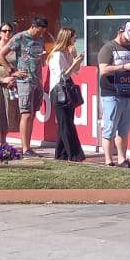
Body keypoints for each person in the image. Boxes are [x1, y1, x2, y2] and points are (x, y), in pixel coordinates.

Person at [97, 22, 130, 168]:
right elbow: (103, 70)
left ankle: (122, 159)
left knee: (124, 129)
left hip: (129, 92)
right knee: (110, 126)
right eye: (127, 37)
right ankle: (108, 160)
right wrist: (124, 67)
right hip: (112, 93)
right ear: (120, 32)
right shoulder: (108, 48)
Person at [9, 17, 50, 158]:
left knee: (32, 115)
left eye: (43, 31)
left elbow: (41, 57)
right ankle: (24, 147)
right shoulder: (20, 37)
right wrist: (13, 71)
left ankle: (29, 146)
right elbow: (1, 54)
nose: (41, 33)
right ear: (33, 26)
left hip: (37, 80)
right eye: (40, 30)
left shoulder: (40, 39)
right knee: (25, 114)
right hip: (24, 80)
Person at [48, 27, 86, 161]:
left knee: (66, 122)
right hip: (59, 91)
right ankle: (74, 154)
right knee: (66, 123)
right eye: (74, 37)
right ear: (67, 37)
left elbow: (76, 71)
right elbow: (61, 76)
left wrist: (75, 58)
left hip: (66, 90)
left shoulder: (67, 52)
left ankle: (61, 154)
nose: (75, 39)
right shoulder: (57, 54)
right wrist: (74, 62)